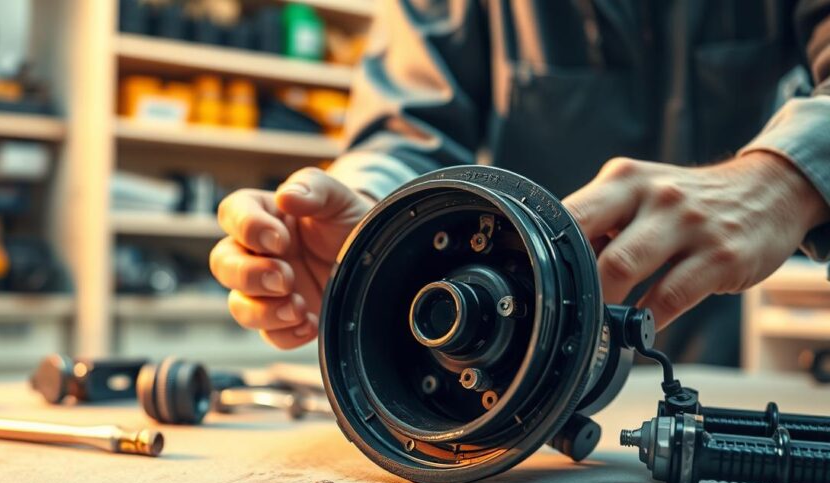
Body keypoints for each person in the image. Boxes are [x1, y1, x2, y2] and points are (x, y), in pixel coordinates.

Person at [209, 1, 830, 357]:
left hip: (710, 337)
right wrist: (370, 223)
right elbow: (407, 129)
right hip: (518, 347)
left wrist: (786, 176)